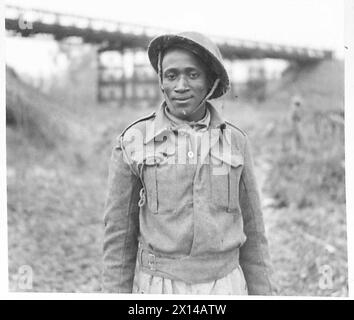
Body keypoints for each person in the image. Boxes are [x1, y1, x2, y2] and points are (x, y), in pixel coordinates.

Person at [102, 31, 275, 295]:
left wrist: (265, 293)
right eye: (171, 76)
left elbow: (254, 235)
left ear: (210, 81)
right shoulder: (133, 141)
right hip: (157, 288)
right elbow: (119, 238)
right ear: (161, 82)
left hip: (225, 287)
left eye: (193, 75)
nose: (180, 85)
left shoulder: (236, 142)